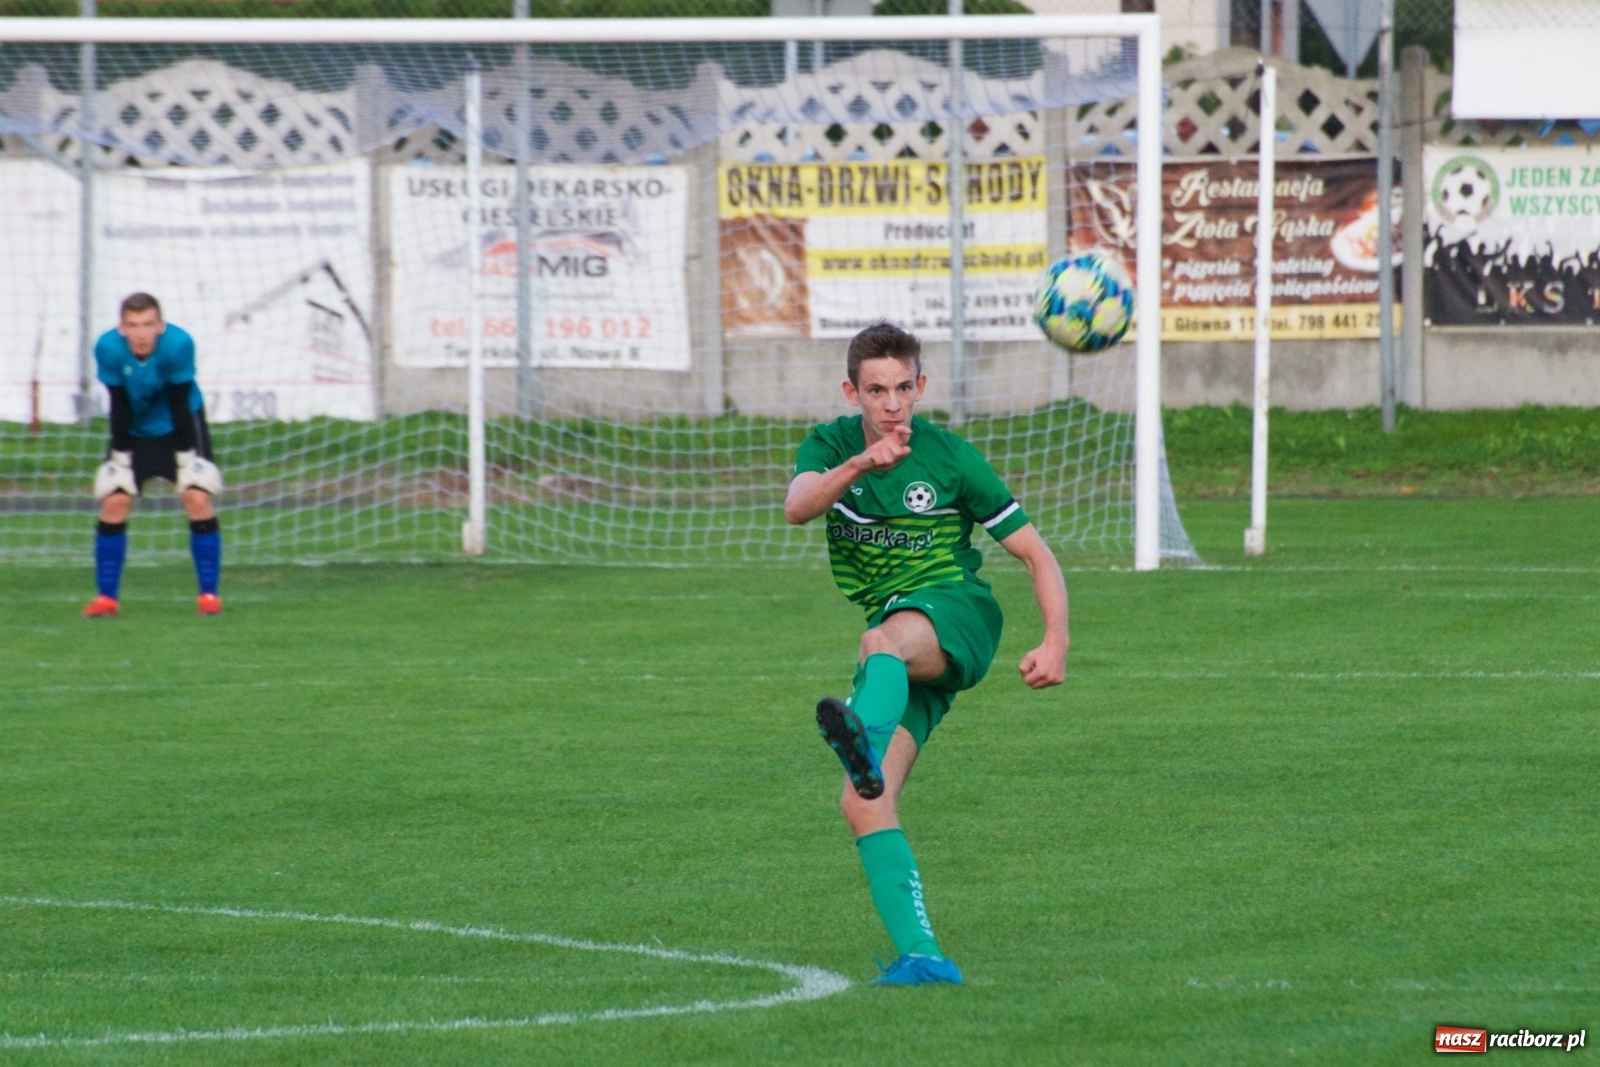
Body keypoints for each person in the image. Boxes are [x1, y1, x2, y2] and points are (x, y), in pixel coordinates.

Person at [784, 322, 1069, 987]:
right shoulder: (829, 446)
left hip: (956, 614)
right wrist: (860, 463)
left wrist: (1055, 638)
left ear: (921, 386)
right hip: (905, 652)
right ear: (851, 390)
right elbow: (798, 506)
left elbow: (1035, 553)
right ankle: (923, 956)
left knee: (878, 642)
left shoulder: (948, 456)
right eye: (876, 389)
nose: (891, 404)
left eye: (903, 388)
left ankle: (862, 729)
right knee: (864, 803)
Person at [83, 293, 225, 618]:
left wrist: (186, 459)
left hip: (181, 424)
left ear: (160, 325)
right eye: (133, 326)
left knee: (197, 497)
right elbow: (118, 403)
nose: (141, 333)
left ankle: (208, 597)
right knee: (114, 501)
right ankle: (106, 599)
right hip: (134, 428)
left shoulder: (178, 345)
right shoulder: (107, 348)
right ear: (122, 328)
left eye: (148, 324)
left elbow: (178, 400)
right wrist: (120, 459)